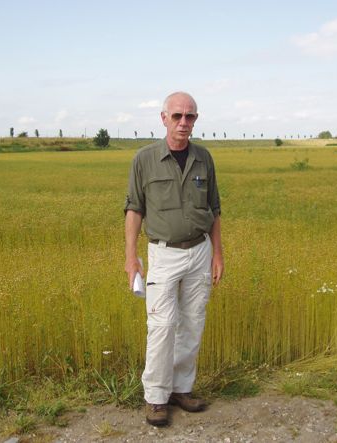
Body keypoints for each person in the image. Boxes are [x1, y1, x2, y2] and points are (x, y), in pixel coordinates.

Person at [124, 91, 224, 426]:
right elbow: (134, 209)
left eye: (190, 116)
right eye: (178, 116)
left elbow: (215, 210)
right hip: (163, 254)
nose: (184, 123)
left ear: (196, 119)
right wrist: (131, 258)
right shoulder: (145, 159)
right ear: (164, 117)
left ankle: (182, 389)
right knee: (162, 326)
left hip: (200, 251)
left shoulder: (203, 158)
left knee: (192, 323)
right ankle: (155, 397)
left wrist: (218, 254)